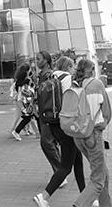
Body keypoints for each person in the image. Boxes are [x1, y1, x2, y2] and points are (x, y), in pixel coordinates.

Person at [33, 55, 85, 207]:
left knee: (78, 161)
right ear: (68, 66)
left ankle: (86, 197)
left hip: (53, 123)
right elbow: (71, 99)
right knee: (66, 167)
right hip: (66, 124)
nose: (73, 69)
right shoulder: (67, 78)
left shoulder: (51, 75)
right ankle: (43, 196)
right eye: (72, 66)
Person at [72, 59, 112, 207]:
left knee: (103, 173)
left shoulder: (74, 85)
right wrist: (104, 123)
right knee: (97, 179)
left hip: (78, 135)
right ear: (93, 70)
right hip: (93, 135)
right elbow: (107, 113)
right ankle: (79, 204)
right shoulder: (97, 84)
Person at [11, 72, 36, 141]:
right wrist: (23, 108)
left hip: (26, 104)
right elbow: (21, 97)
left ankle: (21, 130)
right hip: (26, 104)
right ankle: (16, 131)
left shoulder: (21, 85)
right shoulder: (23, 86)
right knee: (28, 118)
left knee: (29, 118)